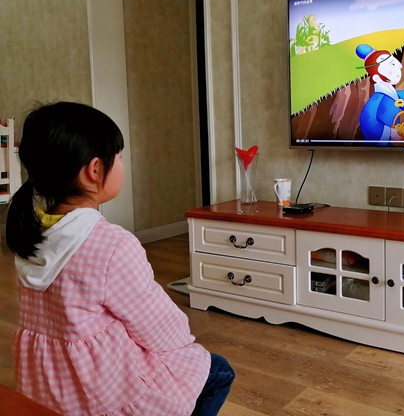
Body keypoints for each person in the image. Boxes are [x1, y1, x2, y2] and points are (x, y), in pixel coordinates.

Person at [6, 102, 234, 415]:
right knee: (218, 371)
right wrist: (185, 344)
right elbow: (157, 325)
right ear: (94, 170)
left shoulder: (30, 233)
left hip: (48, 387)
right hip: (103, 391)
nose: (123, 164)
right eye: (120, 157)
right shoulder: (112, 245)